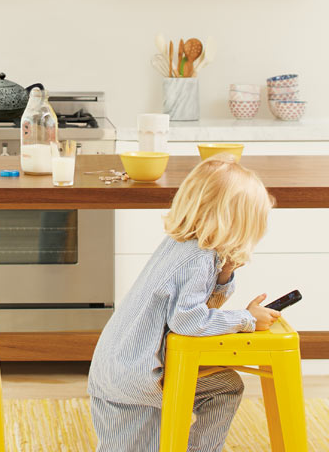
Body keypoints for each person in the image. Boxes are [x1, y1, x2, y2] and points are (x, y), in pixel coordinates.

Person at [88, 154, 280, 452]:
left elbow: (193, 309)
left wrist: (225, 273)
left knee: (224, 387)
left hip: (118, 369)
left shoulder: (185, 246)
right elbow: (190, 322)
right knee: (223, 390)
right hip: (134, 378)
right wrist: (246, 319)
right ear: (234, 223)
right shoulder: (198, 259)